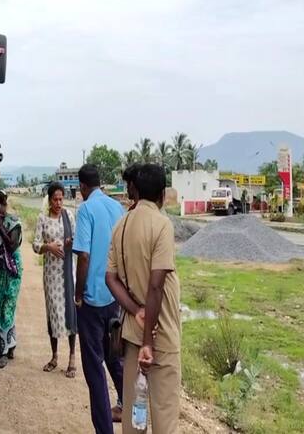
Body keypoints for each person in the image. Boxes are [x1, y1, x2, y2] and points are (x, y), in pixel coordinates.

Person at [106, 164, 182, 434]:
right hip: (161, 337)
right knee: (165, 417)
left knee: (133, 419)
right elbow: (156, 286)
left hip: (132, 334)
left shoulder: (121, 226)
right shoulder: (162, 225)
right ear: (162, 194)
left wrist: (136, 310)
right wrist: (150, 340)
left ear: (135, 190)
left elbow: (111, 278)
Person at [72, 164, 126, 432]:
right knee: (114, 358)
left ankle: (104, 429)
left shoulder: (85, 210)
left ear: (82, 187)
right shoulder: (117, 208)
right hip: (115, 298)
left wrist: (78, 294)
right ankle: (130, 410)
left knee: (94, 370)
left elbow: (83, 255)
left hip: (92, 301)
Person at [33, 182, 78, 378]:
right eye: (55, 199)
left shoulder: (69, 216)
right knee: (53, 313)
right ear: (49, 200)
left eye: (61, 199)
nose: (59, 203)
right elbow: (35, 245)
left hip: (67, 272)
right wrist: (48, 247)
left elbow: (77, 238)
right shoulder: (42, 218)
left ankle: (72, 358)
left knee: (70, 312)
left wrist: (69, 242)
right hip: (51, 275)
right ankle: (54, 356)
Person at [0, 191, 23, 369]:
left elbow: (12, 245)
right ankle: (8, 344)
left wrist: (0, 227)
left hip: (13, 270)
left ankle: (3, 353)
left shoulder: (13, 222)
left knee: (6, 308)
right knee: (0, 306)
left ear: (4, 204)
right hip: (1, 270)